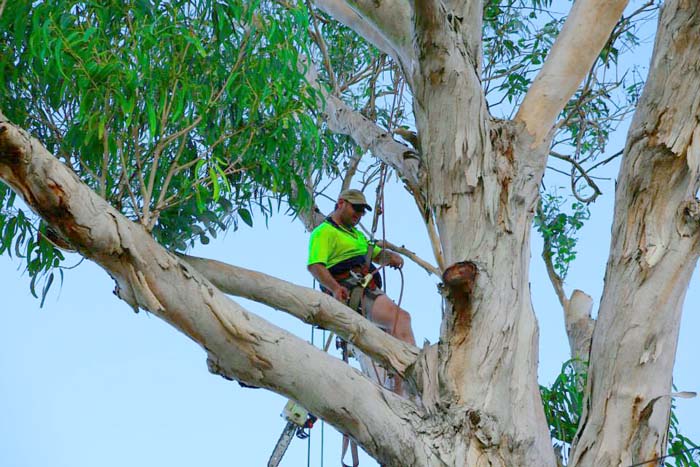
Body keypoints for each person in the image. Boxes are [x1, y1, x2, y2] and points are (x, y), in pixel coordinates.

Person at [307, 189, 416, 351]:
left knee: (388, 341)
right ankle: (415, 370)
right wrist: (335, 288)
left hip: (366, 288)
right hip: (352, 290)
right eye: (355, 208)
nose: (359, 214)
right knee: (400, 318)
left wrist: (391, 256)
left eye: (362, 211)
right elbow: (315, 266)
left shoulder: (357, 235)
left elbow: (377, 255)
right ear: (341, 203)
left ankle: (398, 375)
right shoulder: (324, 232)